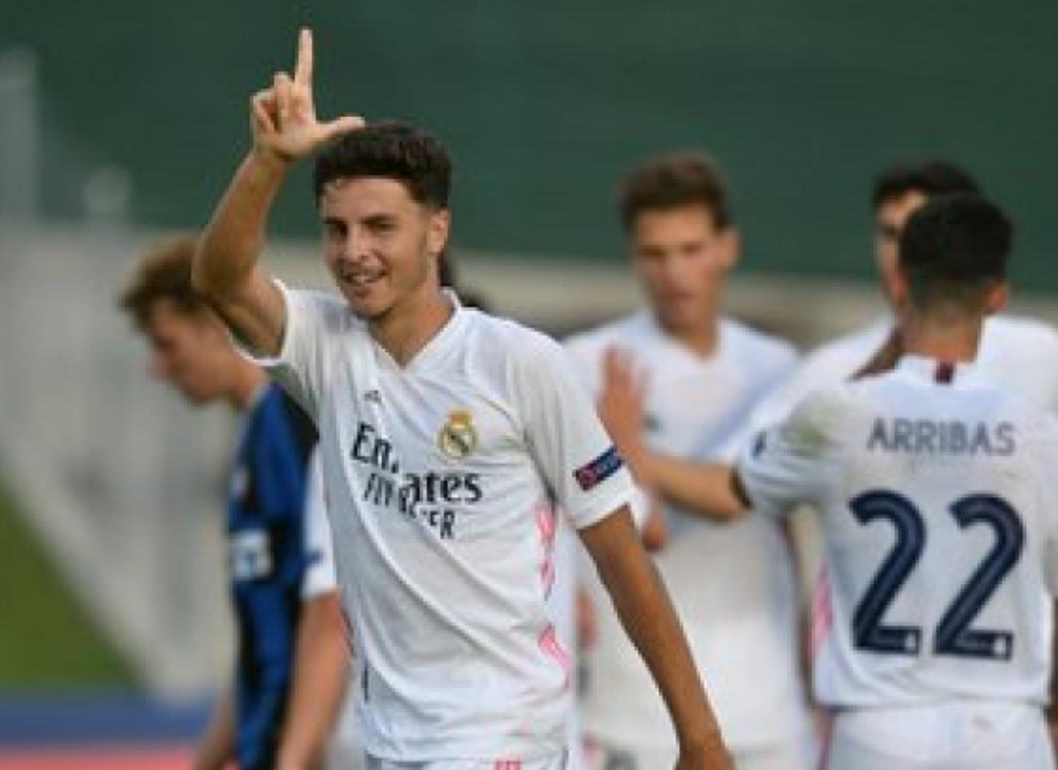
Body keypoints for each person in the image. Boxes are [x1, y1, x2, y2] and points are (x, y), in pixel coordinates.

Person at [190, 28, 733, 770]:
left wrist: (699, 736)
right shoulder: (325, 347)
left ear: (436, 230)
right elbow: (219, 281)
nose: (354, 252)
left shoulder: (520, 364)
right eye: (337, 229)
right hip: (390, 738)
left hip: (501, 734)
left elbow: (621, 558)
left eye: (380, 227)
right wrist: (267, 162)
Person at [607, 161, 1058, 769]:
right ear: (995, 295)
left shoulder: (838, 410)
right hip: (1006, 722)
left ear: (902, 285)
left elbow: (734, 488)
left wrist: (627, 449)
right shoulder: (1042, 435)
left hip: (880, 725)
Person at [563, 153, 811, 770]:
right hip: (631, 712)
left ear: (728, 247)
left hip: (764, 707)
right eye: (655, 253)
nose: (675, 272)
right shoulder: (586, 362)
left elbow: (748, 502)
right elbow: (632, 530)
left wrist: (630, 454)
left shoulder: (777, 368)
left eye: (691, 249)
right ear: (633, 257)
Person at [118, 236, 349, 770]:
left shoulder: (292, 424)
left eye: (166, 343)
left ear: (214, 324)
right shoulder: (256, 433)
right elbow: (262, 635)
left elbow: (327, 606)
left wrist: (296, 753)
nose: (158, 368)